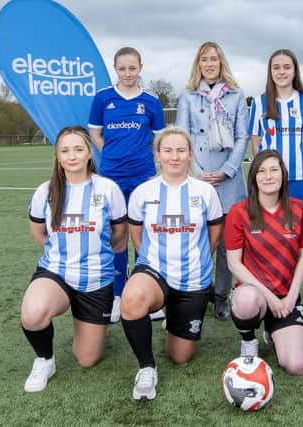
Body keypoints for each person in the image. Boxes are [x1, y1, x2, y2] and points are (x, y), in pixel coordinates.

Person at [120, 126, 223, 401]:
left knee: (180, 356)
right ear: (157, 155)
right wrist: (150, 266)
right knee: (131, 298)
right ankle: (146, 368)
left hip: (193, 279)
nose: (174, 157)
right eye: (167, 151)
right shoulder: (143, 192)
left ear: (190, 155)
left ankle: (173, 321)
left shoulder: (205, 192)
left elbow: (214, 235)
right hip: (155, 273)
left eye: (180, 151)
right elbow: (137, 238)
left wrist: (198, 260)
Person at [21, 126, 127, 392]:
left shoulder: (108, 189)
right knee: (33, 314)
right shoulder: (45, 191)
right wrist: (64, 254)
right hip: (56, 273)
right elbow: (38, 233)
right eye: (65, 151)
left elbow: (119, 235)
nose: (72, 156)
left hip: (96, 279)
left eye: (78, 149)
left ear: (89, 153)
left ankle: (84, 317)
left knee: (87, 359)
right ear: (57, 156)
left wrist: (94, 256)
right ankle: (45, 359)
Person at [88, 47, 166, 323]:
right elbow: (95, 132)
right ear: (115, 68)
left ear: (140, 68)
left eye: (132, 68)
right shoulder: (103, 98)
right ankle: (119, 293)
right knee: (117, 234)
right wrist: (109, 151)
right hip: (111, 176)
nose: (128, 73)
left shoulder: (152, 101)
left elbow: (158, 139)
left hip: (143, 176)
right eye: (122, 68)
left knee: (145, 233)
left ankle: (149, 292)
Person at [225, 150, 303, 375]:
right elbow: (234, 264)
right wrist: (270, 297)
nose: (268, 176)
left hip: (285, 298)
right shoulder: (239, 212)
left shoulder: (298, 209)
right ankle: (248, 340)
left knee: (296, 366)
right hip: (255, 294)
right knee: (245, 300)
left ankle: (273, 332)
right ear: (254, 177)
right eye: (261, 171)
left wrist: (292, 296)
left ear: (283, 175)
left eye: (274, 170)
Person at [176, 41, 249, 320]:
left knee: (228, 243)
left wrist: (228, 170)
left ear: (221, 63)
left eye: (214, 60)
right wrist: (196, 172)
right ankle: (198, 291)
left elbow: (242, 136)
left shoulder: (236, 95)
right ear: (198, 64)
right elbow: (182, 136)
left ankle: (221, 296)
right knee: (199, 238)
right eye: (204, 59)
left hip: (228, 180)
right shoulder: (188, 96)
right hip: (198, 177)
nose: (209, 64)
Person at [249, 49, 303, 216]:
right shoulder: (259, 102)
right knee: (270, 226)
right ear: (270, 72)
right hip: (269, 178)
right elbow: (255, 138)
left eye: (287, 67)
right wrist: (264, 170)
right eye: (276, 67)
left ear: (294, 71)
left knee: (300, 227)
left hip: (300, 175)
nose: (281, 72)